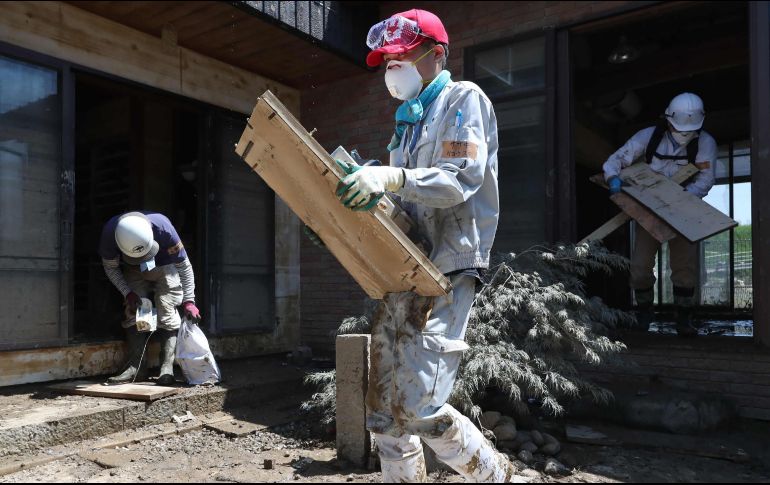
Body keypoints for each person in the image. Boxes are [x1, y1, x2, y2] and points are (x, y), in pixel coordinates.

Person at [335, 9, 513, 482]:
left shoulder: (462, 99)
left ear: (435, 55)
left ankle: (496, 476)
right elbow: (406, 200)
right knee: (382, 410)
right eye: (387, 61)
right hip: (404, 262)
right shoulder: (409, 120)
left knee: (420, 404)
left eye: (400, 58)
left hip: (449, 263)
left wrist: (391, 176)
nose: (391, 70)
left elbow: (458, 180)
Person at [602, 92, 717, 336]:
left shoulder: (705, 143)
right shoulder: (648, 137)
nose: (684, 134)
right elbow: (616, 160)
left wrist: (680, 200)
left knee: (684, 269)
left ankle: (684, 319)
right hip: (650, 211)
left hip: (684, 211)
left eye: (689, 130)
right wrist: (612, 178)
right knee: (640, 266)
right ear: (668, 119)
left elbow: (705, 180)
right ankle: (644, 313)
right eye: (679, 128)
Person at [99, 211, 201, 384]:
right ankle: (136, 368)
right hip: (133, 269)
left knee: (166, 307)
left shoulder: (163, 228)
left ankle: (166, 368)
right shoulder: (110, 234)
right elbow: (111, 268)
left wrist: (189, 300)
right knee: (134, 310)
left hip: (166, 266)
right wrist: (127, 293)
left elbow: (184, 266)